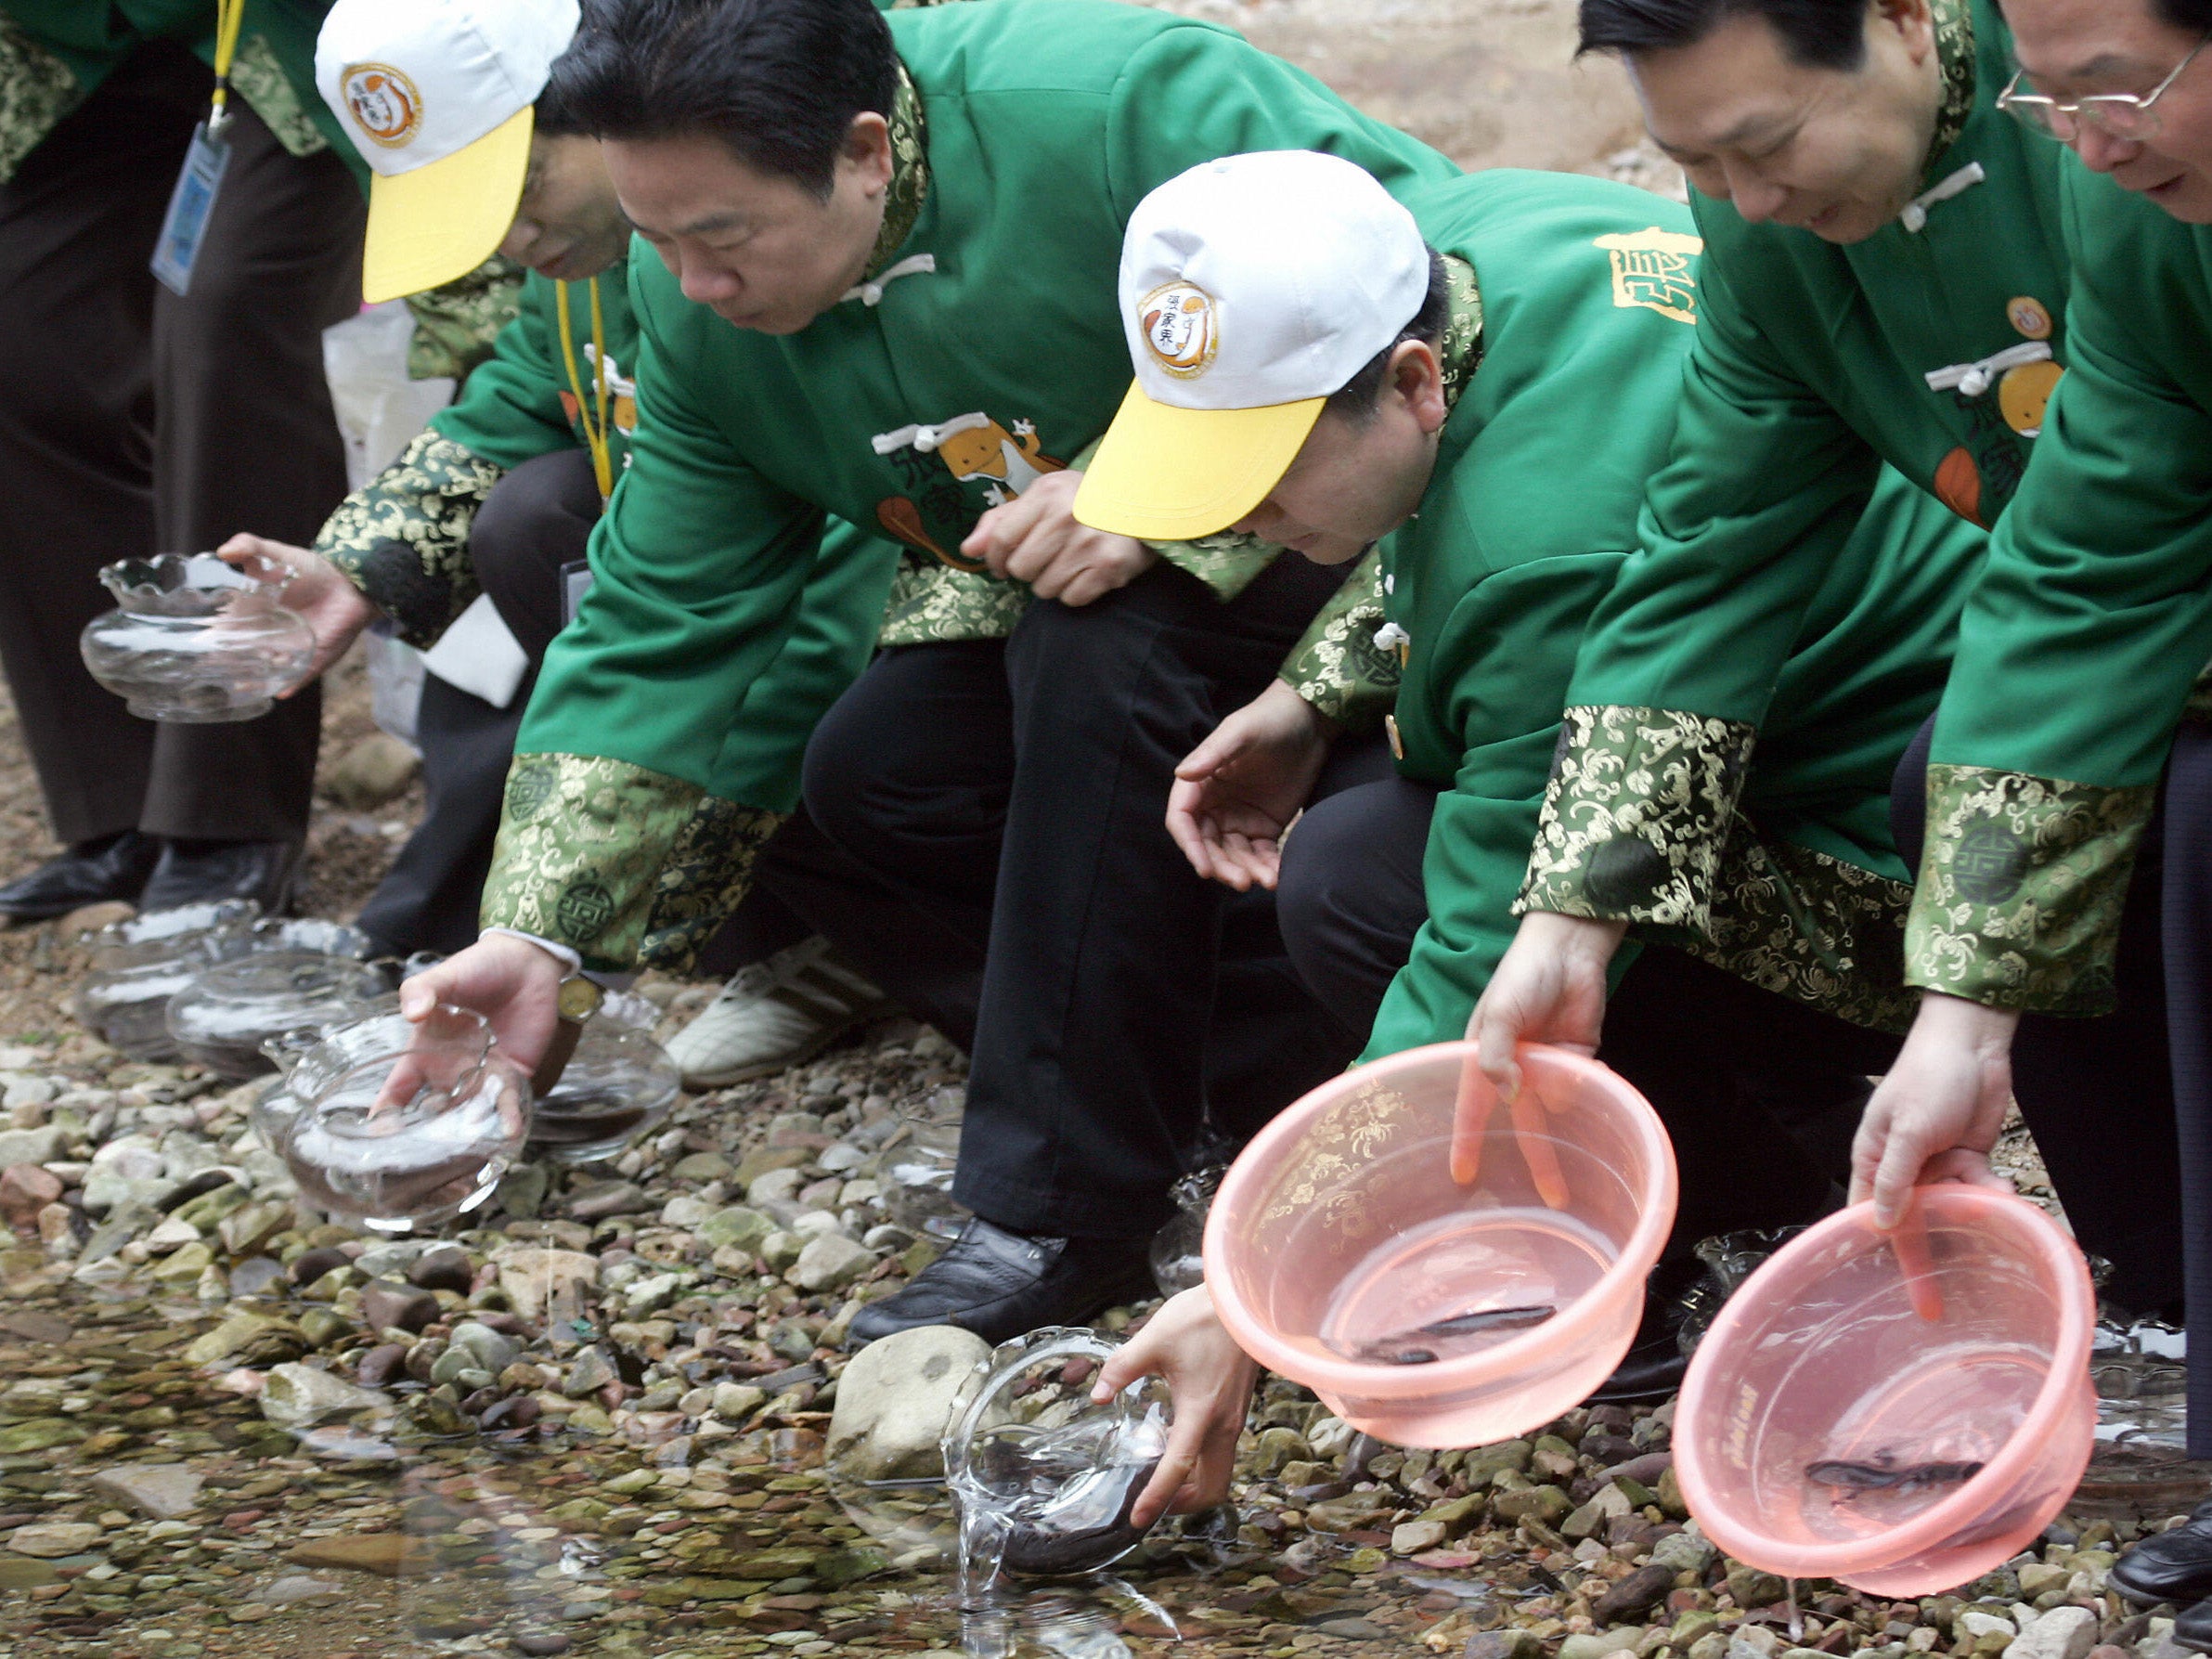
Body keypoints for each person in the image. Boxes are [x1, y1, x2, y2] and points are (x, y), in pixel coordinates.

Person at [395, 0, 1464, 1344]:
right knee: (879, 772)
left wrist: (1167, 474)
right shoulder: (698, 313)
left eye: (720, 238)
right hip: (1047, 571)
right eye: (650, 242)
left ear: (858, 153)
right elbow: (670, 606)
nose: (689, 285)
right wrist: (537, 931)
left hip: (1345, 523)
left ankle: (1060, 1208)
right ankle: (1259, 1088)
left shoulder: (1111, 101)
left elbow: (1430, 276)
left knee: (1104, 655)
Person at [1070, 149, 1986, 1513]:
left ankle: (1753, 1183)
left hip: (1908, 859)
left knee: (1356, 883)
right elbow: (1433, 541)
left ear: (1413, 381)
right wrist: (1311, 688)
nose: (1238, 520)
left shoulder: (1538, 543)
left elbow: (1483, 949)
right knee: (1368, 842)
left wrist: (1254, 1285)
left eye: (1262, 472)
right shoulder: (1465, 243)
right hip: (1797, 712)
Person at [1466, 0, 2191, 1325]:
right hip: (2100, 616)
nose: (1743, 198)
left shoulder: (2108, 129)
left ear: (1901, 21)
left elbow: (2110, 532)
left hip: (2131, 609)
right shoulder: (1763, 240)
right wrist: (1574, 915)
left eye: (1764, 141)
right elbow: (1712, 546)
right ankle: (2157, 1298)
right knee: (1957, 799)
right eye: (1693, 166)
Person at [224, 0, 908, 1085]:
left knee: (851, 746)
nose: (513, 240)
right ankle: (804, 933)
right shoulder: (583, 271)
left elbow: (795, 581)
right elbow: (512, 407)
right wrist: (355, 565)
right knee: (533, 515)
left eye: (523, 186)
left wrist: (657, 883)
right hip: (696, 602)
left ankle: (883, 933)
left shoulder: (756, 237)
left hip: (872, 598)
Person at [1852, 0, 2212, 1610]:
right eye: (2041, 96)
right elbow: (2084, 561)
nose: (2080, 138)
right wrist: (1961, 1010)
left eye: (2116, 88)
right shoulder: (2132, 204)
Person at [0, 0, 366, 920]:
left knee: (226, 313)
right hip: (93, 44)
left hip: (302, 32)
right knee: (16, 321)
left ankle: (224, 813)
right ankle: (121, 801)